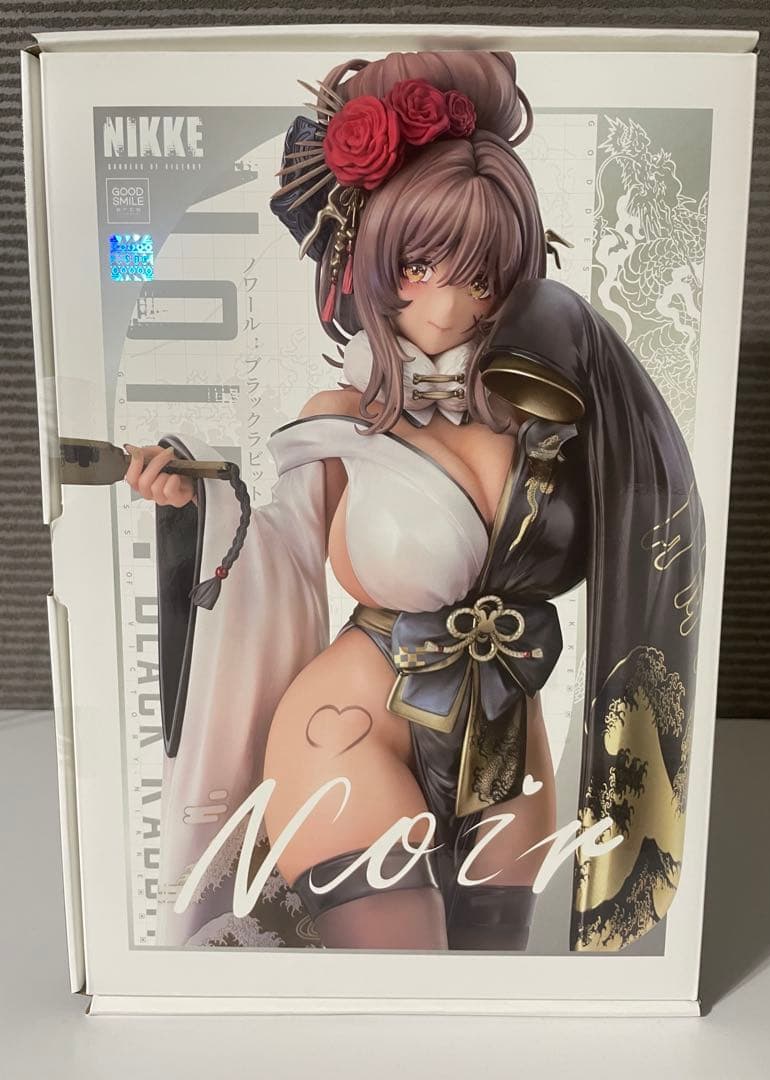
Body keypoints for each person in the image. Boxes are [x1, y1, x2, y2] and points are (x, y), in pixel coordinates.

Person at [126, 49, 705, 953]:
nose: (445, 304)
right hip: (349, 729)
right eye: (419, 263)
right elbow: (272, 555)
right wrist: (189, 501)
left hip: (509, 746)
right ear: (370, 258)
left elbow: (638, 531)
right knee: (398, 975)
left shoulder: (544, 416)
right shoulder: (339, 417)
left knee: (490, 985)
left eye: (479, 275)